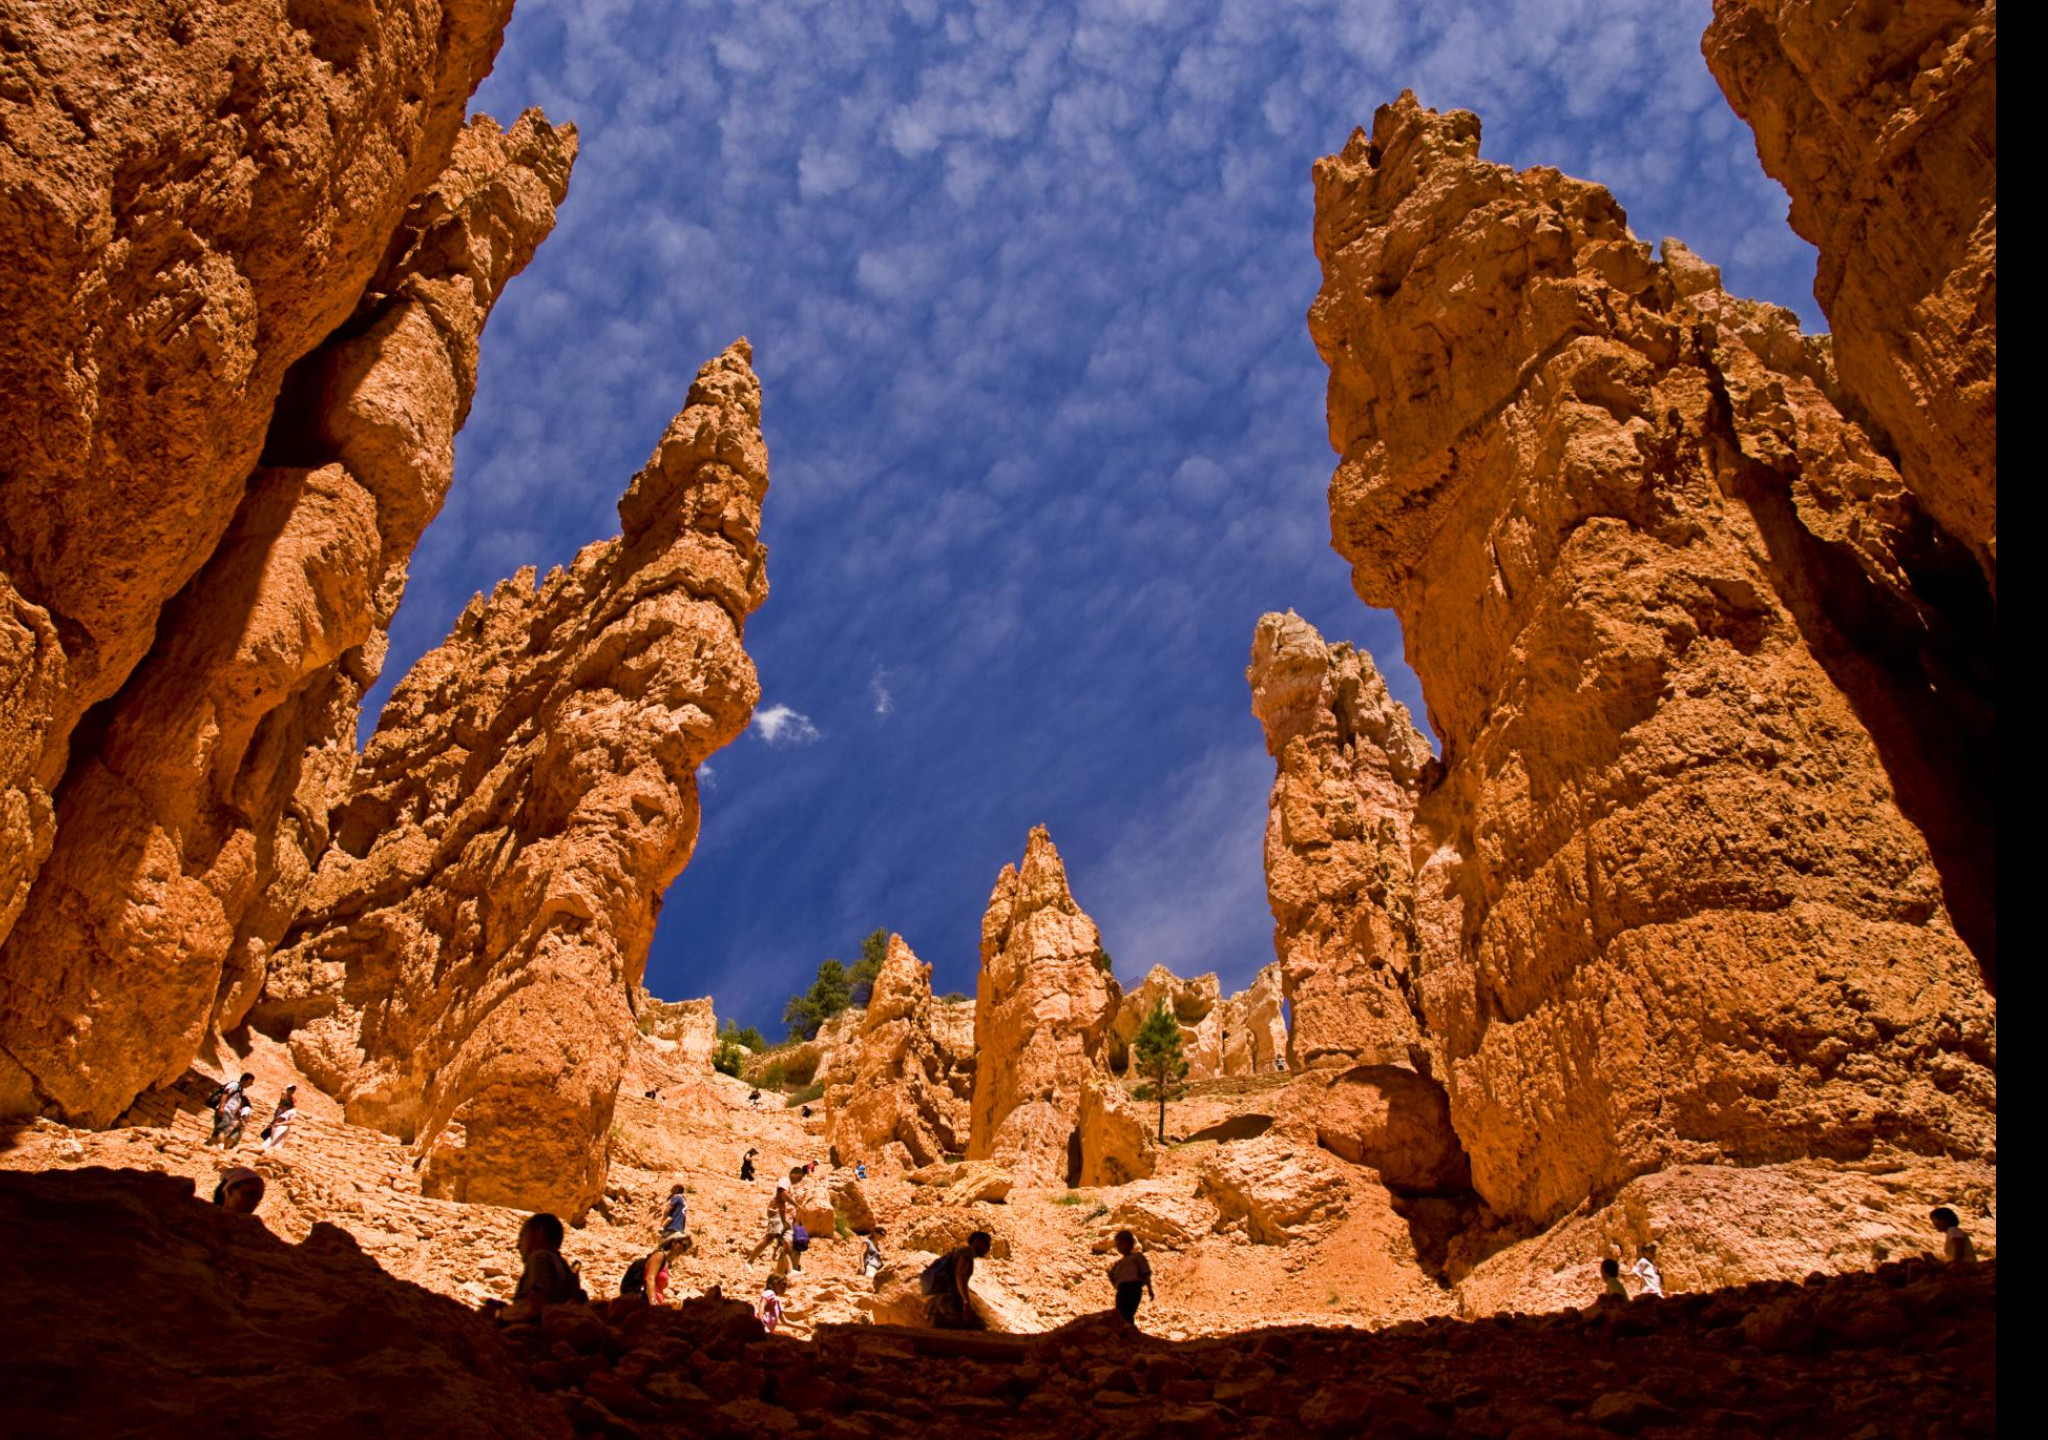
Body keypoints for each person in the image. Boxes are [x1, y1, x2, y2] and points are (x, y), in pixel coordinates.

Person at [503, 1212, 584, 1324]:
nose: (518, 1245)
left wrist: (499, 1314)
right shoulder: (563, 1266)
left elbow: (534, 1305)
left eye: (522, 1236)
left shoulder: (539, 1257)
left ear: (538, 1234)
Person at [925, 1230, 992, 1329]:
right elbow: (959, 1274)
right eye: (986, 1243)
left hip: (940, 1301)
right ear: (976, 1241)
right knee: (976, 1330)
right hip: (951, 1301)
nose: (987, 1248)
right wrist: (966, 1302)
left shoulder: (957, 1253)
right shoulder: (967, 1252)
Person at [1107, 1230, 1155, 1324]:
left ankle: (1129, 1333)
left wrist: (1150, 1288)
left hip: (1133, 1288)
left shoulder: (1137, 1257)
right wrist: (1111, 1275)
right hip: (1122, 1290)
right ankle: (1125, 1333)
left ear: (1130, 1243)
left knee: (1127, 1313)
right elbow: (1116, 1284)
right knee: (1120, 1314)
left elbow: (1146, 1273)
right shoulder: (1119, 1263)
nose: (1118, 1247)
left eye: (1121, 1243)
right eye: (1117, 1245)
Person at [206, 1073, 256, 1148]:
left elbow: (236, 1105)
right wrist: (222, 1107)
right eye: (250, 1082)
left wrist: (239, 1117)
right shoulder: (235, 1085)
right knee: (222, 1129)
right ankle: (220, 1149)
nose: (251, 1085)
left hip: (229, 1112)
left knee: (219, 1129)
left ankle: (207, 1145)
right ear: (244, 1079)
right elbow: (225, 1093)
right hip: (226, 1110)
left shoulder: (241, 1090)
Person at [260, 1085, 298, 1152]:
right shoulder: (283, 1095)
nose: (291, 1091)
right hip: (280, 1113)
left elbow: (292, 1118)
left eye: (293, 1090)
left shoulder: (293, 1101)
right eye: (290, 1089)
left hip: (283, 1119)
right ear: (287, 1089)